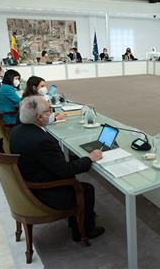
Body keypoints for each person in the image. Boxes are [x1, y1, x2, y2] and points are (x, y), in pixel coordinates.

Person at [9, 96, 105, 241]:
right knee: (86, 188)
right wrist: (89, 158)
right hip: (44, 192)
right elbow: (65, 171)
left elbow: (49, 160)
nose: (52, 113)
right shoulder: (41, 140)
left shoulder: (16, 131)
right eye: (49, 111)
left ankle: (79, 219)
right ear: (38, 117)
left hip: (27, 183)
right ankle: (83, 231)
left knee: (75, 168)